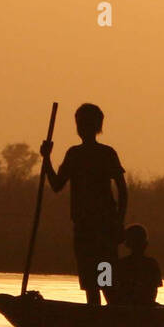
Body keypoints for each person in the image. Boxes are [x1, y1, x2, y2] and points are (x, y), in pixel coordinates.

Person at [40, 103, 127, 307]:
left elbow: (122, 190)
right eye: (80, 123)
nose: (82, 127)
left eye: (86, 123)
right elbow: (56, 185)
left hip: (105, 228)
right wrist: (46, 159)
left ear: (96, 126)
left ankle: (111, 319)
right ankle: (96, 322)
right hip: (84, 228)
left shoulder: (106, 153)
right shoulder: (74, 154)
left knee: (105, 282)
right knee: (91, 283)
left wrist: (119, 223)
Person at [108, 224, 163, 307]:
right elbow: (153, 291)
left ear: (127, 244)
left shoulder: (121, 264)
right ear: (145, 244)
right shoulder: (152, 263)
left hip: (127, 305)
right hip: (146, 305)